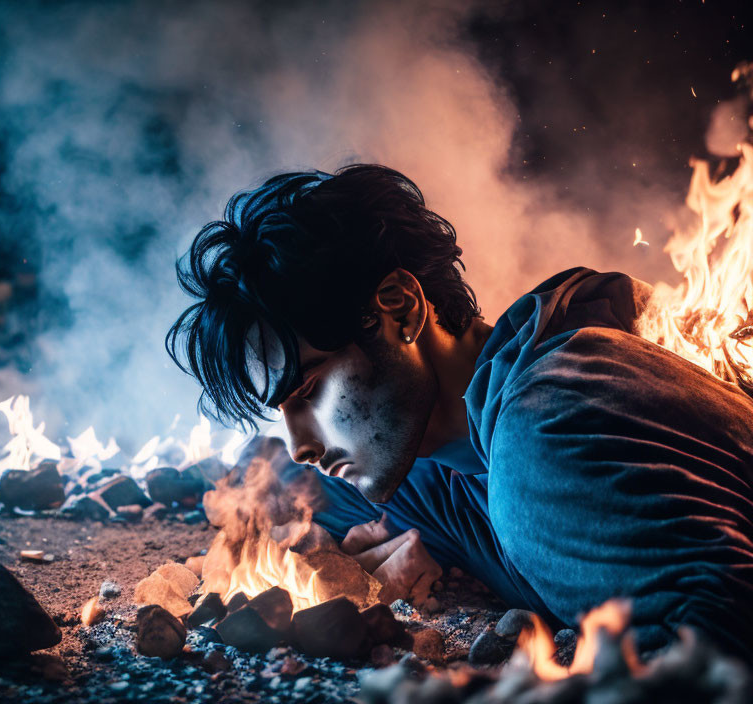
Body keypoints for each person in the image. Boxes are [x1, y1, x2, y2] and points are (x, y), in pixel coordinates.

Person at [166, 164, 753, 661]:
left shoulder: (539, 441)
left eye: (311, 389)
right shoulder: (446, 453)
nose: (302, 443)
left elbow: (724, 637)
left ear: (400, 310)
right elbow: (280, 477)